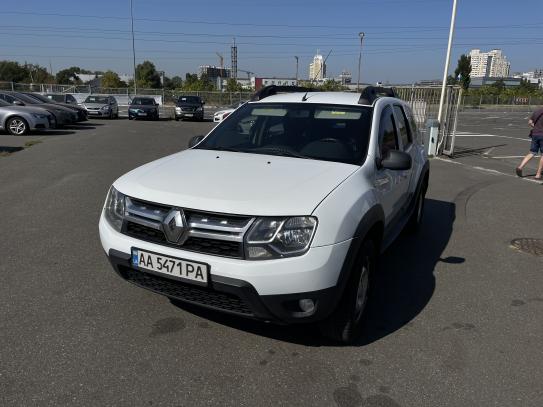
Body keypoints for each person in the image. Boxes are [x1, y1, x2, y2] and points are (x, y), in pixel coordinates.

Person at [516, 106, 543, 180]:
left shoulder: (537, 111)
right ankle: (538, 174)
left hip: (535, 134)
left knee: (532, 152)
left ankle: (520, 167)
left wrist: (536, 127)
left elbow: (530, 122)